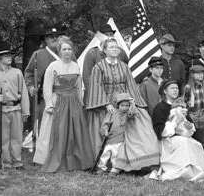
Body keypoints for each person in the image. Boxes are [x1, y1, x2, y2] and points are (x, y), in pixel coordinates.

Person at [40, 37, 95, 172]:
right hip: (58, 100)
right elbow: (47, 87)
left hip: (74, 102)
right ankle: (54, 158)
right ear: (59, 51)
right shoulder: (53, 66)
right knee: (58, 130)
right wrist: (49, 104)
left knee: (76, 130)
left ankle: (76, 160)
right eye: (64, 49)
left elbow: (78, 86)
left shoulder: (76, 66)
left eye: (69, 49)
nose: (67, 52)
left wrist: (80, 100)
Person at [85, 38, 147, 156]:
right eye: (111, 47)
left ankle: (122, 158)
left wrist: (132, 100)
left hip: (122, 101)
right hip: (105, 102)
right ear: (104, 50)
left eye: (116, 47)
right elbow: (96, 85)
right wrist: (106, 104)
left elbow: (130, 83)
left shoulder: (124, 66)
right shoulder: (99, 67)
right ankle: (103, 161)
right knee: (106, 129)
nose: (114, 49)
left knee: (123, 130)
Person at [150, 81, 204, 181]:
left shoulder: (181, 106)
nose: (175, 90)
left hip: (182, 138)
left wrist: (189, 127)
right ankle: (186, 172)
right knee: (184, 143)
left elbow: (189, 127)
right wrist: (175, 122)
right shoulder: (160, 108)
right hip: (168, 141)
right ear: (165, 91)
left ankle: (201, 171)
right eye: (172, 88)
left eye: (176, 88)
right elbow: (161, 132)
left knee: (196, 144)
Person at [0, 43, 30, 169]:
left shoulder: (17, 72)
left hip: (16, 110)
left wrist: (25, 111)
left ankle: (17, 162)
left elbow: (23, 92)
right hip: (0, 110)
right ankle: (6, 162)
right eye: (6, 55)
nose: (10, 57)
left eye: (10, 55)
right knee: (3, 138)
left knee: (17, 137)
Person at [96, 93, 160, 175]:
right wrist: (105, 131)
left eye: (127, 105)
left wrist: (132, 104)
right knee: (105, 154)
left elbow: (133, 113)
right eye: (122, 105)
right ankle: (101, 168)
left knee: (116, 156)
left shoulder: (128, 114)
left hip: (120, 140)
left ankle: (114, 170)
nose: (125, 108)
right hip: (110, 139)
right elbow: (106, 123)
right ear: (118, 105)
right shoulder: (112, 113)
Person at [24, 27, 62, 126]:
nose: (54, 39)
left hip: (63, 95)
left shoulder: (66, 53)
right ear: (45, 39)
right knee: (43, 125)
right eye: (51, 37)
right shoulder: (37, 54)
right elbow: (29, 72)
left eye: (56, 36)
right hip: (43, 97)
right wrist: (31, 87)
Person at [82, 24, 129, 102]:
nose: (109, 37)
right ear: (100, 37)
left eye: (111, 34)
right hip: (98, 95)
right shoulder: (92, 53)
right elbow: (87, 77)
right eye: (106, 35)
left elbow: (127, 72)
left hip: (118, 96)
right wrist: (96, 95)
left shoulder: (121, 52)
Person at [183, 65, 204, 145]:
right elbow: (185, 104)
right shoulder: (188, 87)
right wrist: (189, 116)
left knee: (201, 141)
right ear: (192, 75)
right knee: (192, 141)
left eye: (202, 73)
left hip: (202, 117)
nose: (201, 75)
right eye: (197, 74)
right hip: (192, 117)